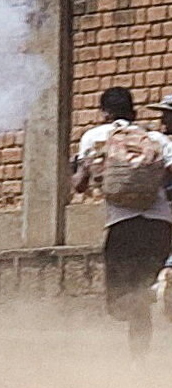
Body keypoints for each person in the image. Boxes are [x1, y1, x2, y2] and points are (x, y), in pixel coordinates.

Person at [72, 87, 172, 356]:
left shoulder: (94, 137)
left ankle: (154, 291)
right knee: (141, 301)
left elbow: (79, 185)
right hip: (160, 225)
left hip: (123, 226)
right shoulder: (156, 139)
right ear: (134, 111)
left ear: (105, 112)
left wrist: (83, 170)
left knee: (118, 303)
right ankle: (139, 361)